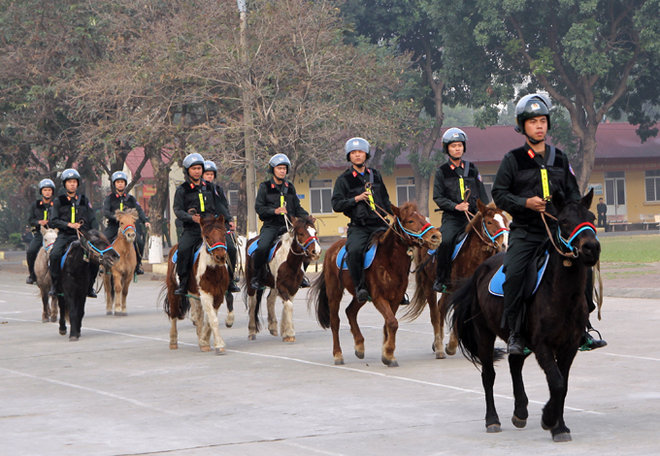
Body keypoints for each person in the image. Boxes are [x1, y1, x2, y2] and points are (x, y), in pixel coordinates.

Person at [491, 93, 606, 355]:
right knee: (515, 273)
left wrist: (573, 214)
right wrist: (525, 203)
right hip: (527, 232)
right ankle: (516, 334)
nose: (539, 126)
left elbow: (574, 195)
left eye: (543, 121)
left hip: (559, 234)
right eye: (533, 122)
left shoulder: (560, 158)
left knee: (584, 268)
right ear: (522, 126)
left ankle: (583, 328)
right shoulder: (513, 159)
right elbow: (498, 194)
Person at [331, 138, 393, 304]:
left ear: (366, 154)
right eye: (353, 153)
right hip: (360, 227)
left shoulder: (376, 175)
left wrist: (399, 215)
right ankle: (360, 287)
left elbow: (386, 201)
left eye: (360, 152)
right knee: (355, 250)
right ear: (349, 156)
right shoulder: (343, 179)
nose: (357, 155)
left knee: (401, 246)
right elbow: (336, 204)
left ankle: (398, 287)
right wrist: (356, 199)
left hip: (381, 224)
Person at [432, 128, 490, 293]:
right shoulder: (441, 171)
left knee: (494, 238)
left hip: (473, 217)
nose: (457, 148)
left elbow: (482, 194)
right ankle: (441, 278)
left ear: (464, 148)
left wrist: (487, 212)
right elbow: (438, 197)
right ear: (447, 149)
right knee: (446, 241)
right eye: (453, 146)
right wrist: (455, 206)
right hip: (453, 218)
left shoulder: (472, 169)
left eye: (459, 145)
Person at [251, 154, 309, 290]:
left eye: (284, 168)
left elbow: (297, 207)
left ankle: (301, 275)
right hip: (271, 226)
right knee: (262, 247)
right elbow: (259, 208)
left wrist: (306, 217)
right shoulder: (265, 187)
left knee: (307, 247)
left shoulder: (290, 187)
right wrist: (274, 211)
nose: (282, 171)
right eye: (279, 168)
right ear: (273, 170)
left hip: (288, 227)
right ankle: (256, 276)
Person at [172, 153, 224, 296]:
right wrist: (190, 217)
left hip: (212, 229)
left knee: (229, 247)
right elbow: (177, 210)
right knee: (183, 250)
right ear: (187, 170)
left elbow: (221, 207)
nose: (197, 171)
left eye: (199, 168)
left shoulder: (211, 188)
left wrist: (229, 220)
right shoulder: (182, 189)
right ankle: (183, 283)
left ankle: (230, 279)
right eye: (194, 168)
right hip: (192, 230)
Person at [48, 169, 100, 298]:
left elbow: (92, 218)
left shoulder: (84, 200)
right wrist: (68, 225)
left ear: (78, 184)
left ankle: (90, 286)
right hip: (65, 235)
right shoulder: (59, 201)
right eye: (69, 182)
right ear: (65, 184)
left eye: (74, 182)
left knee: (95, 258)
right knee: (54, 255)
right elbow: (53, 221)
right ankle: (55, 285)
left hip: (82, 236)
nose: (72, 184)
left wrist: (94, 233)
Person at [102, 171, 151, 275]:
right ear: (114, 184)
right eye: (118, 182)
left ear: (125, 184)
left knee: (140, 243)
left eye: (122, 182)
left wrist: (145, 221)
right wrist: (117, 218)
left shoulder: (131, 198)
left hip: (128, 228)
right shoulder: (109, 198)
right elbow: (105, 212)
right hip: (114, 226)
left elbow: (139, 210)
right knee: (103, 241)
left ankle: (137, 266)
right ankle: (104, 264)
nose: (120, 184)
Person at [202, 160, 240, 293]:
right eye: (207, 174)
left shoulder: (218, 190)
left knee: (231, 249)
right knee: (186, 249)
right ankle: (183, 279)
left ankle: (230, 279)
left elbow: (224, 207)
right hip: (202, 225)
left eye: (212, 174)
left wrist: (229, 220)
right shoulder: (197, 189)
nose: (209, 177)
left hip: (219, 226)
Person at [26, 178, 56, 284]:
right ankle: (32, 275)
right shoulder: (35, 205)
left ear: (52, 191)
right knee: (31, 251)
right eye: (45, 190)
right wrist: (39, 222)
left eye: (49, 190)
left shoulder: (56, 204)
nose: (47, 192)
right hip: (41, 234)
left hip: (54, 234)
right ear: (41, 192)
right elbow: (31, 220)